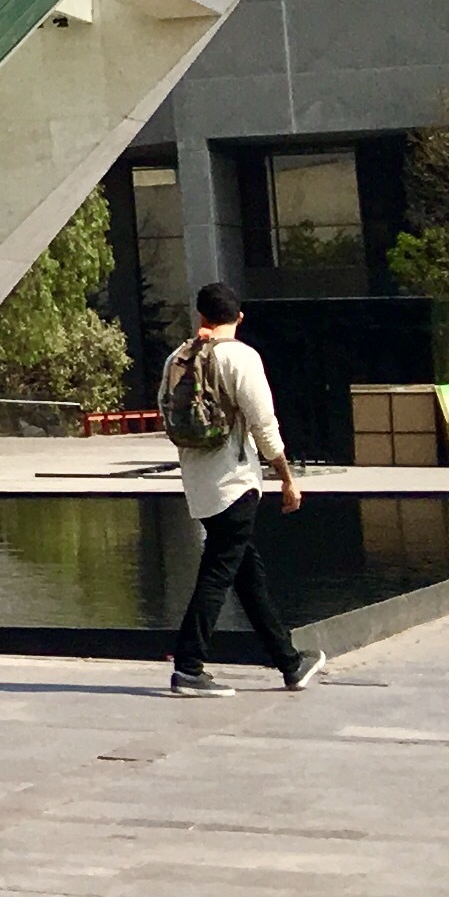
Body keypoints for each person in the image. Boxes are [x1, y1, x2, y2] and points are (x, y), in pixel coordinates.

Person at [163, 284, 324, 697]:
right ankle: (188, 667)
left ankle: (290, 662)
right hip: (235, 483)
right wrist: (286, 476)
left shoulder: (177, 359)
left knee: (247, 575)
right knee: (218, 574)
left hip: (199, 486)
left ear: (201, 317)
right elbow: (264, 424)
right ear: (240, 317)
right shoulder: (241, 358)